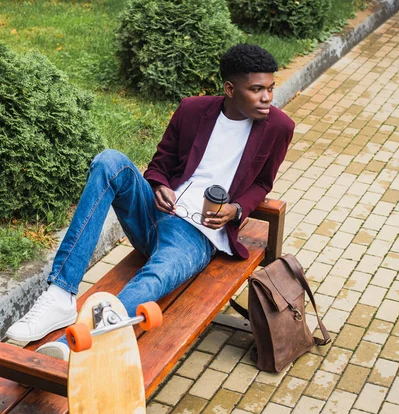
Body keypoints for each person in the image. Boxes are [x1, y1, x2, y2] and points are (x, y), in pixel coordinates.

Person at [6, 43, 295, 359]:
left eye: (270, 88)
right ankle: (61, 294)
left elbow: (261, 184)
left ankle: (70, 345)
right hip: (155, 212)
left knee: (151, 282)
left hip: (195, 236)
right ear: (229, 88)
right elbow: (160, 163)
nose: (268, 97)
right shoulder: (193, 110)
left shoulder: (279, 127)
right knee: (109, 161)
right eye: (257, 90)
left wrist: (235, 210)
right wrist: (157, 185)